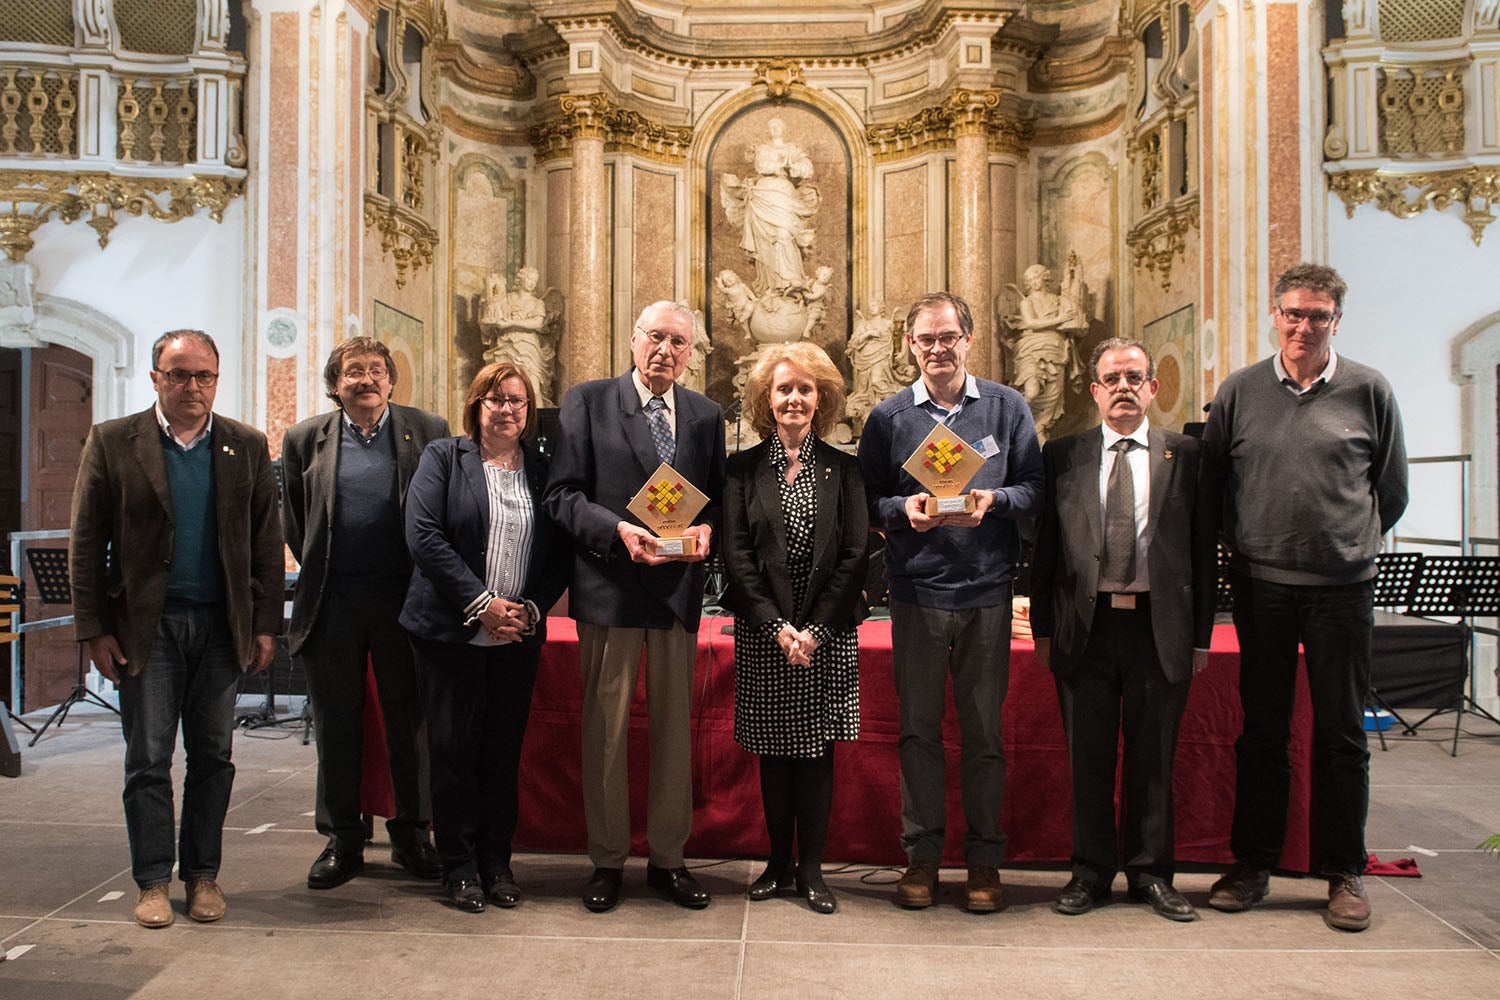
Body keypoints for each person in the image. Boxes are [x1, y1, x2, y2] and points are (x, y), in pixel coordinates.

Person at [1201, 262, 1407, 932]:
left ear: (1335, 322)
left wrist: (1349, 542)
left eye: (1317, 315)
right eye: (1293, 313)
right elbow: (1215, 489)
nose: (1303, 325)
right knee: (1261, 731)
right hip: (1263, 587)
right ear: (1274, 315)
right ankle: (1253, 864)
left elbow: (1391, 488)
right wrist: (1249, 543)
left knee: (1342, 733)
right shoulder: (1240, 391)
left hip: (1343, 590)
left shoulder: (1368, 390)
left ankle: (1343, 869)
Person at [69, 330, 283, 929]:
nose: (192, 386)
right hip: (147, 629)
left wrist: (265, 624)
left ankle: (203, 876)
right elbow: (86, 544)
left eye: (204, 376)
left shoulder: (245, 443)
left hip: (221, 627)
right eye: (180, 374)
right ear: (156, 377)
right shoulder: (114, 442)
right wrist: (93, 629)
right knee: (148, 758)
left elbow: (266, 545)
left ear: (217, 379)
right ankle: (153, 881)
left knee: (214, 757)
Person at [856, 291, 1044, 913]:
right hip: (916, 592)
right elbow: (869, 500)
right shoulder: (888, 418)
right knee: (918, 734)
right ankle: (923, 859)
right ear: (909, 345)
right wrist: (903, 510)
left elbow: (1035, 488)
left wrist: (997, 502)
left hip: (988, 592)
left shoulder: (1006, 406)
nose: (938, 349)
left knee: (985, 733)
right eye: (926, 339)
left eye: (949, 337)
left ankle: (985, 863)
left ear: (968, 339)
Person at [545, 300, 727, 912]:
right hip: (610, 589)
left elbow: (716, 503)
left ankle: (670, 860)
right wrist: (615, 532)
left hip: (676, 595)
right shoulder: (588, 401)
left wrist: (707, 533)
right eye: (656, 337)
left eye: (679, 343)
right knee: (606, 733)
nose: (665, 351)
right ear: (632, 338)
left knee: (676, 733)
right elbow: (562, 495)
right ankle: (606, 861)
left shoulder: (706, 415)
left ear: (691, 354)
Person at [1030, 337, 1216, 922]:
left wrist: (1202, 636)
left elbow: (1203, 553)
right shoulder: (1064, 454)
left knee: (1153, 758)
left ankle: (1152, 875)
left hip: (1159, 629)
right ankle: (1089, 873)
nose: (1124, 388)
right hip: (1085, 629)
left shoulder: (1186, 455)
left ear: (1153, 387)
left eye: (1135, 377)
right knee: (1088, 759)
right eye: (1111, 379)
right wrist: (1040, 628)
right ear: (1094, 391)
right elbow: (1046, 551)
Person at [399, 362, 570, 912]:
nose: (507, 409)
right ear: (475, 405)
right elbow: (423, 534)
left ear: (530, 411)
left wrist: (530, 609)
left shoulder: (543, 471)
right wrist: (481, 605)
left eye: (517, 401)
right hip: (450, 631)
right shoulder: (445, 457)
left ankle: (497, 862)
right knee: (452, 751)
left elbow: (559, 551)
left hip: (517, 634)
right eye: (495, 399)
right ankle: (459, 866)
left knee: (501, 753)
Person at [281, 337, 450, 890]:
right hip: (333, 600)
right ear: (335, 384)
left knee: (410, 721)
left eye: (377, 370)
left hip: (406, 598)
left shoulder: (428, 430)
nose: (366, 380)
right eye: (354, 372)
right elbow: (296, 519)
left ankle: (411, 834)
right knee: (337, 721)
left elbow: (442, 511)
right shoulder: (305, 439)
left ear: (392, 381)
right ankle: (342, 838)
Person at [723, 342, 869, 915]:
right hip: (766, 637)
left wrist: (813, 632)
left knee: (815, 755)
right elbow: (736, 556)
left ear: (822, 399)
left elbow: (856, 554)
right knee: (772, 754)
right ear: (766, 398)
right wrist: (778, 628)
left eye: (805, 389)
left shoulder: (846, 468)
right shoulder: (741, 469)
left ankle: (811, 870)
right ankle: (777, 863)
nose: (794, 398)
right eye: (783, 389)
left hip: (825, 636)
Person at [719, 117, 820, 294]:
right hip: (763, 194)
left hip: (784, 194)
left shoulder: (792, 149)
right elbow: (762, 166)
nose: (774, 129)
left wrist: (793, 166)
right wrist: (781, 164)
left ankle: (790, 280)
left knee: (784, 234)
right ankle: (769, 287)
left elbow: (807, 168)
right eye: (771, 126)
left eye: (777, 126)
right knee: (764, 242)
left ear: (783, 129)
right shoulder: (763, 149)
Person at [1003, 257, 1089, 442]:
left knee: (1051, 401)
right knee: (1032, 391)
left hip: (1056, 351)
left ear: (1046, 278)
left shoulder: (1058, 300)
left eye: (1037, 277)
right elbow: (1030, 322)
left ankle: (1038, 432)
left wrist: (1073, 278)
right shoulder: (1026, 302)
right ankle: (1010, 419)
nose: (1034, 282)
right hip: (1030, 350)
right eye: (1030, 279)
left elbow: (1076, 320)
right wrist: (1059, 321)